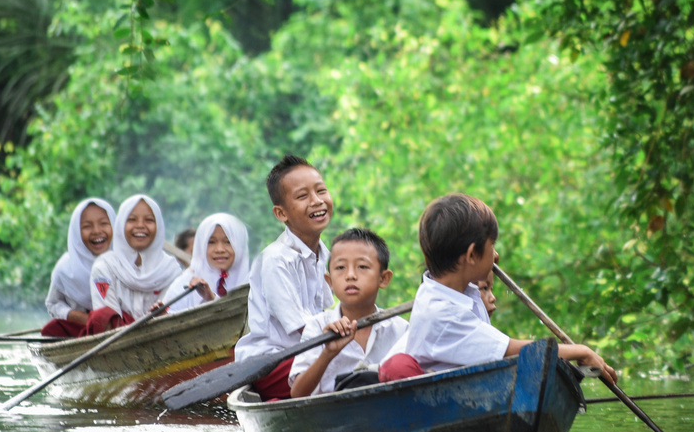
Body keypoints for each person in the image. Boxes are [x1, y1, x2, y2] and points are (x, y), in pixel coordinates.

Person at [379, 193, 617, 383]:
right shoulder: (442, 313)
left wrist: (484, 263)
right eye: (492, 245)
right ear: (471, 254)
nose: (497, 254)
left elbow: (467, 270)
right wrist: (581, 351)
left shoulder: (445, 290)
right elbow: (512, 350)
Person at [232, 155, 335, 401]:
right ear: (281, 213)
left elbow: (328, 311)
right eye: (302, 196)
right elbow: (302, 329)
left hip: (305, 352)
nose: (317, 201)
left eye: (321, 190)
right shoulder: (275, 260)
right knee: (342, 371)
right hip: (272, 362)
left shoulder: (326, 254)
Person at [289, 228, 408, 397]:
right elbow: (298, 393)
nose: (350, 275)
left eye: (362, 266)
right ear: (329, 282)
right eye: (340, 267)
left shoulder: (400, 330)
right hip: (332, 417)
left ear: (384, 278)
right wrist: (328, 353)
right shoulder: (317, 327)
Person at [86, 194, 183, 334]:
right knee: (100, 316)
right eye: (131, 220)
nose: (140, 226)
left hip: (160, 338)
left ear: (159, 226)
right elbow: (107, 317)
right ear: (120, 225)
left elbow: (170, 314)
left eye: (149, 220)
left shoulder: (171, 270)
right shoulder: (104, 267)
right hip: (116, 343)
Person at [40, 198, 117, 338]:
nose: (97, 231)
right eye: (87, 226)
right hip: (79, 333)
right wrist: (83, 318)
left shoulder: (125, 262)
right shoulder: (65, 267)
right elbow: (53, 303)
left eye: (104, 223)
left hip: (120, 328)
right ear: (76, 231)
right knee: (52, 329)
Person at [167, 213, 250, 314]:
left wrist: (212, 299)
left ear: (240, 245)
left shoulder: (253, 284)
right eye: (211, 242)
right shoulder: (184, 284)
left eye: (228, 242)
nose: (219, 249)